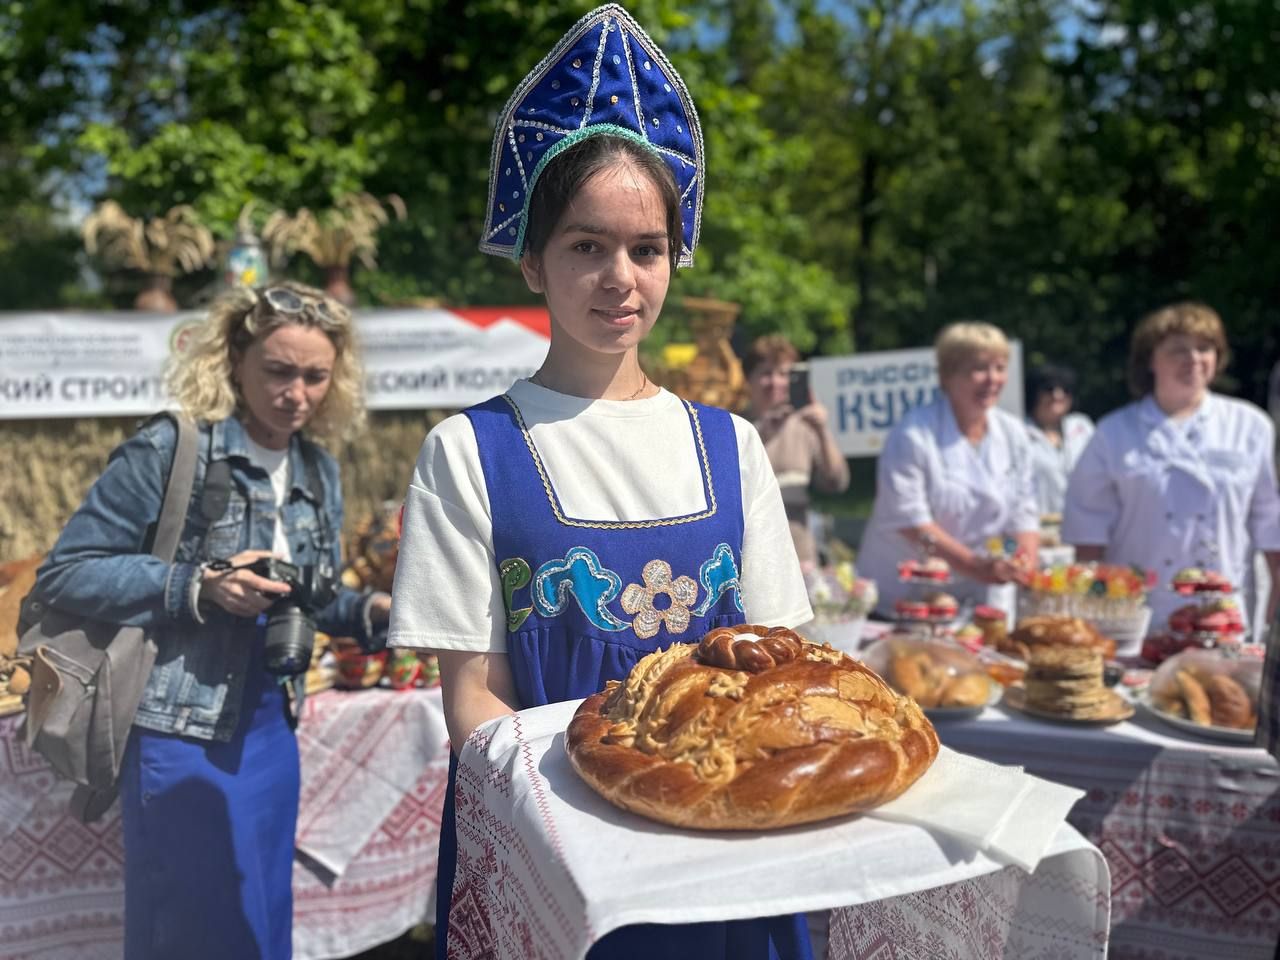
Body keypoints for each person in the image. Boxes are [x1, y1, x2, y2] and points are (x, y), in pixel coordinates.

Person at [387, 7, 813, 958]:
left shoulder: (731, 445)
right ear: (533, 259)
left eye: (646, 248)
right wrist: (602, 817)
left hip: (724, 857)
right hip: (557, 859)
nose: (619, 277)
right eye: (586, 246)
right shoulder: (469, 450)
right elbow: (473, 700)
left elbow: (777, 665)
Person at [30, 281, 391, 960]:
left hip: (272, 722)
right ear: (233, 362)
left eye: (316, 377)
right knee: (187, 925)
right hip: (177, 727)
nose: (297, 394)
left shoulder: (319, 466)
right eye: (278, 372)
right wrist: (198, 586)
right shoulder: (172, 449)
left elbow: (308, 597)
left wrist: (372, 610)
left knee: (259, 915)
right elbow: (67, 571)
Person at [1063, 301, 1280, 633]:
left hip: (1222, 608)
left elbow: (1270, 517)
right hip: (1137, 610)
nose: (1193, 359)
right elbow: (1088, 526)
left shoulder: (1250, 426)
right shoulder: (1114, 432)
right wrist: (1089, 606)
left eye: (1204, 348)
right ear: (1150, 359)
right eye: (1178, 350)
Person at [856, 322, 1038, 618]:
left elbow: (1024, 513)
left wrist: (1022, 561)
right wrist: (977, 566)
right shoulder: (913, 434)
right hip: (905, 601)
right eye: (979, 369)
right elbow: (911, 521)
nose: (992, 379)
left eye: (1000, 367)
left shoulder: (1014, 433)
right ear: (948, 375)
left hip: (975, 599)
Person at [744, 334, 850, 571]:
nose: (775, 382)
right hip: (750, 553)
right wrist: (763, 434)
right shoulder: (736, 425)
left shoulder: (804, 426)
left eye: (783, 374)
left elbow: (837, 482)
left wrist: (822, 430)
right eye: (765, 373)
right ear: (748, 379)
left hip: (799, 552)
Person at [1024, 362, 1094, 517]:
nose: (1058, 395)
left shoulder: (1082, 427)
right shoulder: (1019, 433)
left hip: (1082, 525)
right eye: (1049, 389)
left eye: (1065, 390)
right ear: (1033, 393)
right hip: (1038, 526)